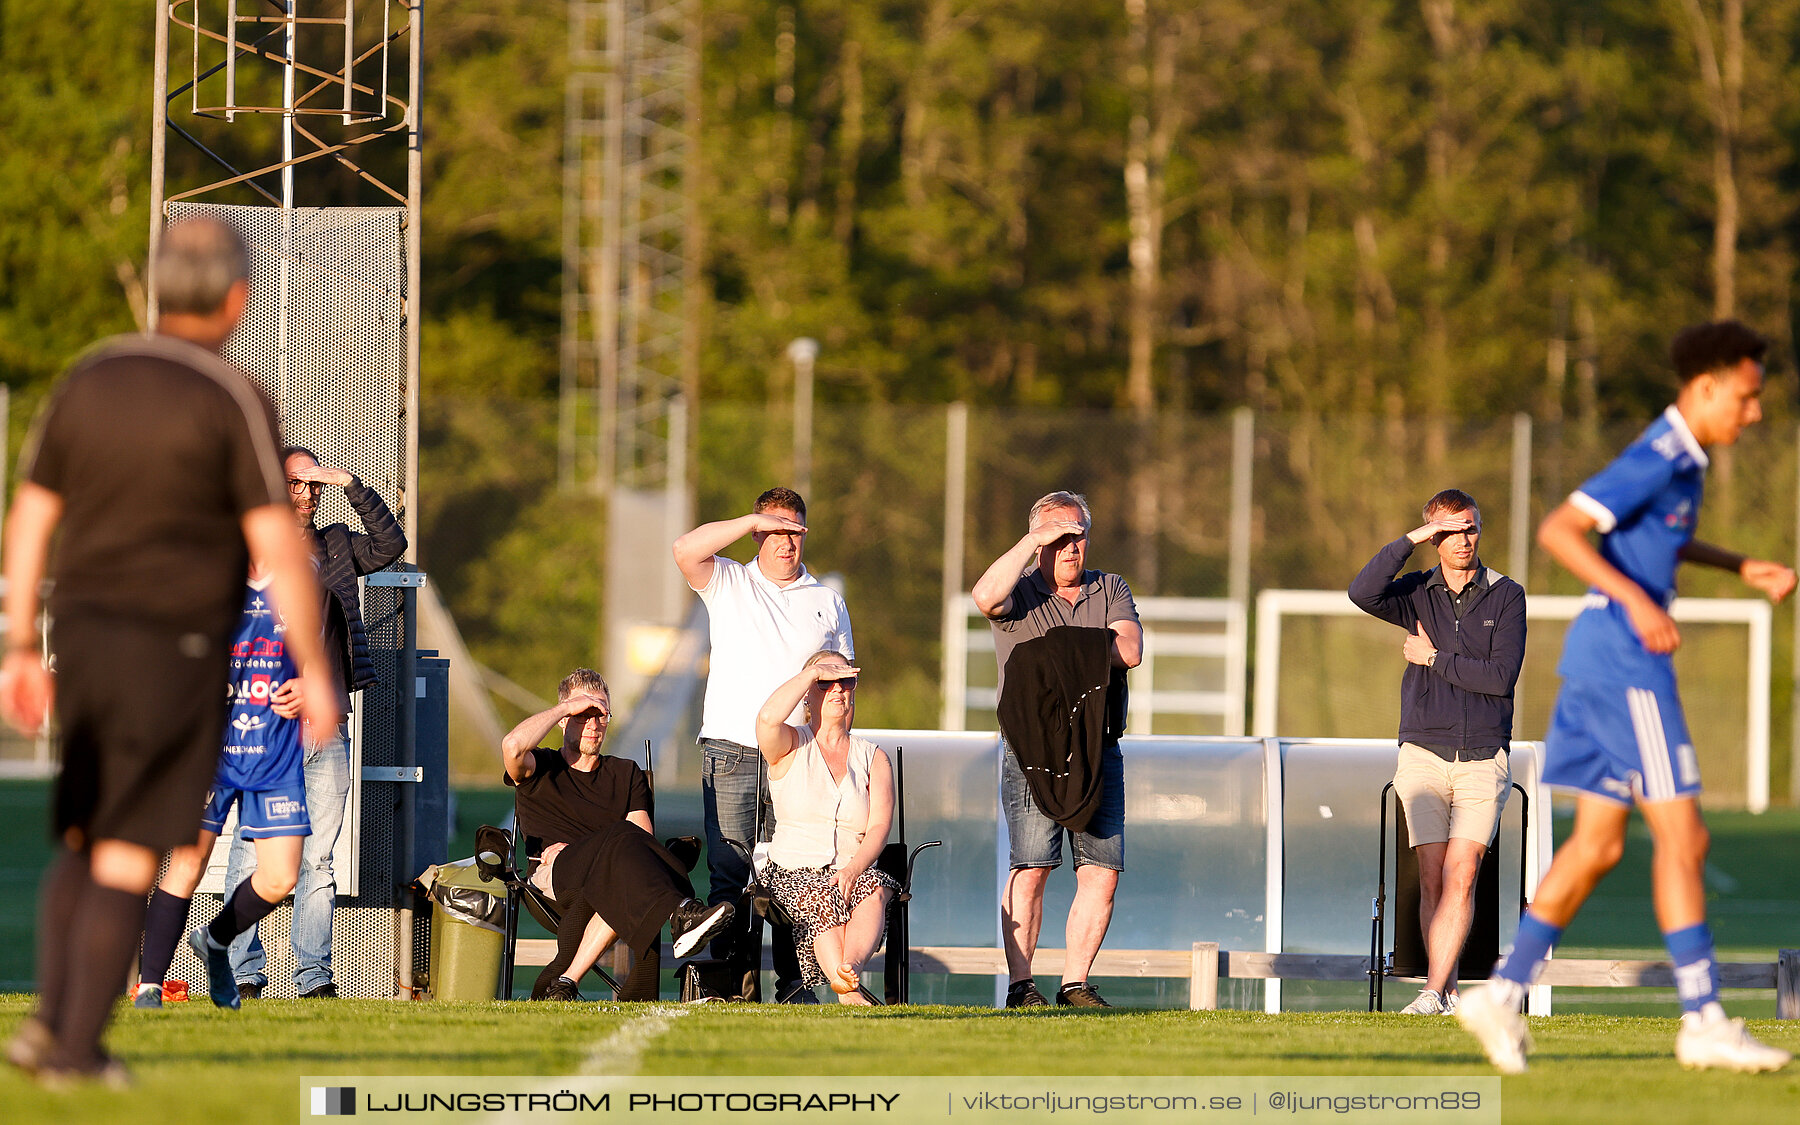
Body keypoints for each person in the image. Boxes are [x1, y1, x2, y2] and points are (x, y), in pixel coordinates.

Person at [1, 217, 338, 1085]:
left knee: (88, 834)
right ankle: (73, 1049)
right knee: (123, 849)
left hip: (79, 633)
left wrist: (17, 644)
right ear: (237, 298)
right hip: (175, 646)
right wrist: (318, 666)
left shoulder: (90, 376)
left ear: (156, 284)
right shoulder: (232, 396)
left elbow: (31, 516)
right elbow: (281, 543)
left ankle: (50, 1027)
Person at [1458, 320, 1794, 1075]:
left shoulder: (1688, 461)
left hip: (1597, 663)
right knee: (1687, 838)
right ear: (1706, 388)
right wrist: (1639, 603)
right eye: (1747, 396)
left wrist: (1742, 565)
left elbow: (1657, 540)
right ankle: (1704, 1019)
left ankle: (1504, 992)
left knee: (1600, 842)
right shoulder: (1661, 453)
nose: (1755, 412)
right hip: (1627, 664)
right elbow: (1561, 530)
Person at [222, 444, 406, 1000]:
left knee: (318, 859)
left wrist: (350, 482)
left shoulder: (334, 546)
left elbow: (391, 546)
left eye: (310, 484)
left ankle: (312, 977)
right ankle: (243, 972)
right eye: (292, 484)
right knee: (251, 851)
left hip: (325, 730)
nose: (304, 494)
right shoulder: (243, 549)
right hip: (261, 726)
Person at [1349, 489, 1526, 1016]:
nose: (1463, 540)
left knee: (1462, 871)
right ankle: (1443, 991)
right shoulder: (1416, 591)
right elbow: (1362, 591)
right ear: (1433, 538)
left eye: (1470, 528)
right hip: (1423, 752)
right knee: (1431, 875)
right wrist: (1410, 540)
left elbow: (1499, 678)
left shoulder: (1507, 594)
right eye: (1448, 532)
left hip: (1482, 756)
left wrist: (1433, 658)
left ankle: (1432, 990)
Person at [673, 488, 854, 1002]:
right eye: (775, 531)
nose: (786, 542)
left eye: (795, 531)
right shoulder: (729, 580)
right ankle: (729, 985)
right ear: (756, 533)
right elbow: (685, 549)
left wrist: (830, 749)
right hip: (731, 750)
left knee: (794, 873)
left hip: (798, 755)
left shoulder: (826, 600)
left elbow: (840, 684)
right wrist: (755, 517)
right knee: (731, 871)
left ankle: (796, 984)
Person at [971, 490, 1142, 1009]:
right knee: (1032, 865)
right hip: (1031, 749)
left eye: (1079, 536)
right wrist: (1029, 542)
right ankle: (1022, 986)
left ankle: (1075, 984)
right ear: (1039, 542)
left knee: (1101, 872)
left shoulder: (1110, 587)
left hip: (1098, 746)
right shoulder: (1019, 591)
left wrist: (1047, 655)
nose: (1071, 548)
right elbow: (984, 598)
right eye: (1059, 538)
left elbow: (1129, 651)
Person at [135, 565, 315, 1010]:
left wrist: (308, 685)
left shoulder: (300, 577)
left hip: (273, 751)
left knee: (280, 878)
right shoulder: (205, 571)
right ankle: (149, 987)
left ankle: (214, 941)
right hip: (210, 751)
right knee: (187, 862)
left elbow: (319, 662)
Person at [501, 669, 735, 1000]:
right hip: (553, 874)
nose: (594, 723)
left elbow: (642, 844)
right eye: (583, 713)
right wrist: (566, 707)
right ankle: (683, 911)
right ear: (563, 719)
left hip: (610, 878)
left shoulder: (626, 773)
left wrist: (587, 848)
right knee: (626, 849)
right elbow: (511, 745)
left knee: (630, 864)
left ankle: (565, 983)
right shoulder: (540, 766)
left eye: (601, 713)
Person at [755, 650, 898, 1005]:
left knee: (875, 888)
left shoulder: (873, 756)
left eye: (845, 681)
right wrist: (811, 672)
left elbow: (880, 824)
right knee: (821, 892)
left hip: (853, 863)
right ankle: (849, 992)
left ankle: (848, 969)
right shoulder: (789, 743)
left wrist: (854, 868)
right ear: (809, 693)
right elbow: (767, 718)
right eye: (826, 682)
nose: (838, 689)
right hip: (792, 868)